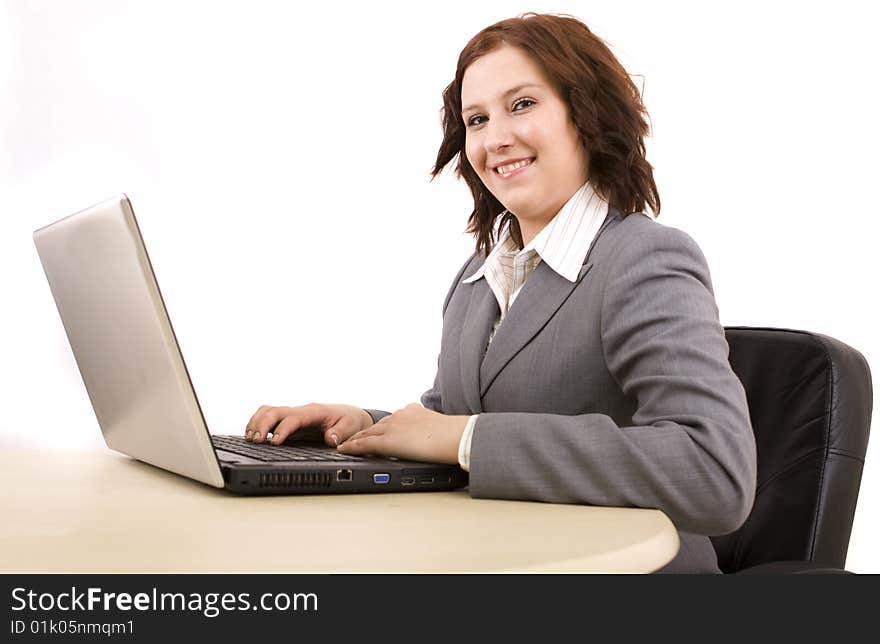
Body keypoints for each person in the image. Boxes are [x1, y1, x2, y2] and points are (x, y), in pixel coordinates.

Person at [244, 12, 757, 574]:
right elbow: (453, 421)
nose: (495, 139)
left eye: (522, 104)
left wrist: (465, 439)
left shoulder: (642, 259)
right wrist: (367, 428)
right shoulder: (479, 277)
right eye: (477, 119)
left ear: (585, 114)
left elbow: (714, 471)